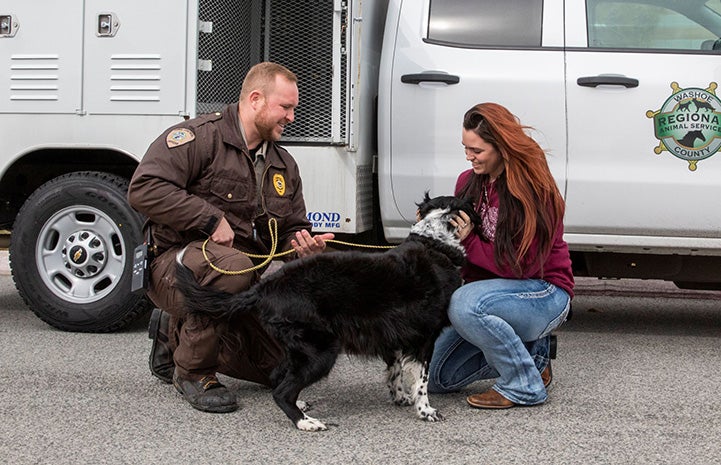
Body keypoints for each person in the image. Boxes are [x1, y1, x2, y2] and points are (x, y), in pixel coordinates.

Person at [127, 62, 334, 413]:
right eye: (286, 107)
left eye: (294, 109)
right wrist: (210, 219)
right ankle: (193, 372)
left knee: (287, 365)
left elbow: (287, 230)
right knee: (231, 267)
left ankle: (173, 333)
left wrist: (301, 248)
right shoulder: (199, 138)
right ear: (255, 99)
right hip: (175, 265)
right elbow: (144, 189)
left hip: (239, 281)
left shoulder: (284, 164)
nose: (292, 117)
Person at [428, 102, 574, 409]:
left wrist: (468, 241)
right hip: (490, 295)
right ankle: (532, 355)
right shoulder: (467, 182)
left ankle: (524, 385)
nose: (469, 157)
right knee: (437, 377)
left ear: (501, 147)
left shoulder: (533, 189)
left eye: (477, 151)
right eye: (466, 148)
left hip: (542, 290)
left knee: (465, 304)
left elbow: (522, 266)